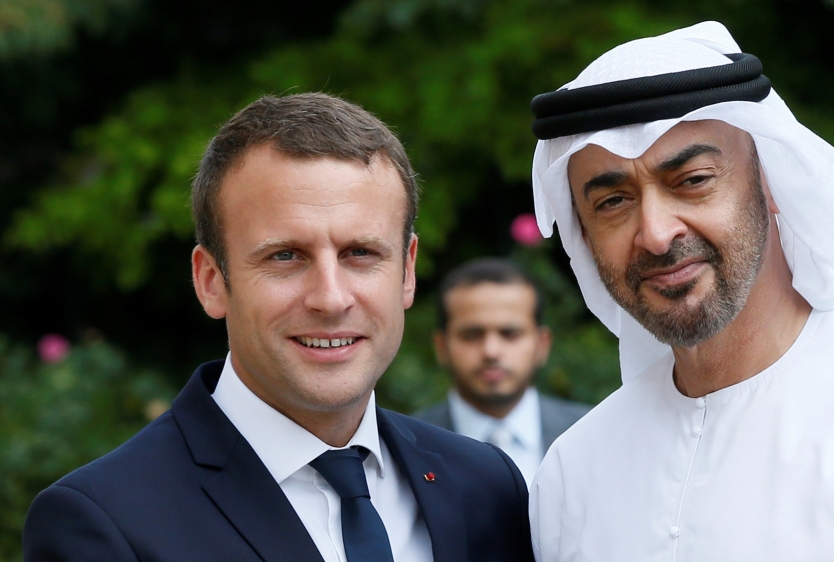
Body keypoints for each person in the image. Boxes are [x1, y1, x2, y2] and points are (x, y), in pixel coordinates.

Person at [527, 21, 834, 562]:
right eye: (613, 202)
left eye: (693, 180)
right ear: (584, 235)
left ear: (771, 181)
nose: (656, 233)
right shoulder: (573, 475)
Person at [23, 93, 534, 562]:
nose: (330, 298)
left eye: (360, 253)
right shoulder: (104, 524)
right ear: (211, 281)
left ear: (407, 271)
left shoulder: (486, 488)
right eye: (286, 256)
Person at [412, 258, 589, 484]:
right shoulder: (406, 446)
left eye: (510, 334)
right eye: (471, 335)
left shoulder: (592, 435)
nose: (491, 351)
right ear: (441, 346)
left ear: (541, 344)